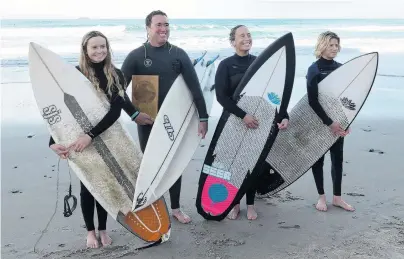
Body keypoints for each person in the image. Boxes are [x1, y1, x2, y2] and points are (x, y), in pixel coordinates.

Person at [48, 31, 153, 248]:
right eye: (94, 47)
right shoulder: (74, 75)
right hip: (79, 138)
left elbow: (115, 112)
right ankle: (90, 231)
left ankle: (103, 229)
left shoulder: (116, 74)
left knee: (106, 183)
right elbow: (63, 112)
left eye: (103, 46)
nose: (99, 51)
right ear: (85, 50)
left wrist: (90, 136)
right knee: (89, 185)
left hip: (107, 135)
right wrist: (52, 142)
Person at [120, 10, 209, 224]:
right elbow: (118, 91)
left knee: (173, 164)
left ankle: (176, 208)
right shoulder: (136, 56)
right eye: (159, 25)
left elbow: (195, 87)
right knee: (150, 163)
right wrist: (134, 114)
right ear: (148, 27)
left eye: (167, 25)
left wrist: (203, 117)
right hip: (147, 121)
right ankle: (154, 205)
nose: (164, 29)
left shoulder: (178, 54)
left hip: (173, 120)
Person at [213, 25, 289, 220]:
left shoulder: (260, 63)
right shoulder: (225, 65)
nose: (247, 38)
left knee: (254, 162)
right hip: (234, 121)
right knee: (234, 163)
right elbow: (222, 97)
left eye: (249, 35)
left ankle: (251, 203)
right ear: (232, 42)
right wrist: (242, 115)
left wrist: (283, 114)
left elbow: (274, 95)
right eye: (242, 36)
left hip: (258, 121)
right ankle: (235, 203)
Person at [306, 31, 354, 212]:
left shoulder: (342, 68)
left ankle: (337, 198)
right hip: (319, 121)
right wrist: (329, 122)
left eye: (336, 45)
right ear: (322, 46)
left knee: (337, 159)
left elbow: (347, 99)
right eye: (331, 45)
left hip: (337, 121)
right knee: (318, 160)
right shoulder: (314, 69)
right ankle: (321, 197)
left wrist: (346, 122)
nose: (335, 49)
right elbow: (312, 101)